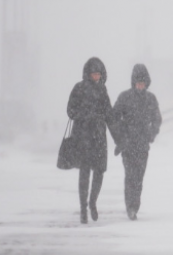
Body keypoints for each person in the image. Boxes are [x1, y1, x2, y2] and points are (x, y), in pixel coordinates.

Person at [67, 57, 114, 224]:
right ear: (88, 74)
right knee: (84, 172)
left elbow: (109, 114)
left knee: (99, 171)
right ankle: (82, 208)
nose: (96, 77)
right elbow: (70, 111)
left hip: (99, 138)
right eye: (94, 74)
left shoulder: (103, 90)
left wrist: (119, 139)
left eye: (98, 74)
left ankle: (93, 202)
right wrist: (86, 116)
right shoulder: (79, 88)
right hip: (83, 137)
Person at [112, 64, 162, 220]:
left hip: (142, 145)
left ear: (147, 83)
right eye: (138, 83)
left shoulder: (151, 99)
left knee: (139, 177)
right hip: (127, 145)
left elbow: (157, 119)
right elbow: (113, 119)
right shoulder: (124, 97)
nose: (140, 86)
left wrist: (151, 134)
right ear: (133, 82)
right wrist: (121, 138)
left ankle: (135, 205)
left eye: (143, 83)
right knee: (130, 176)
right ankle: (131, 208)